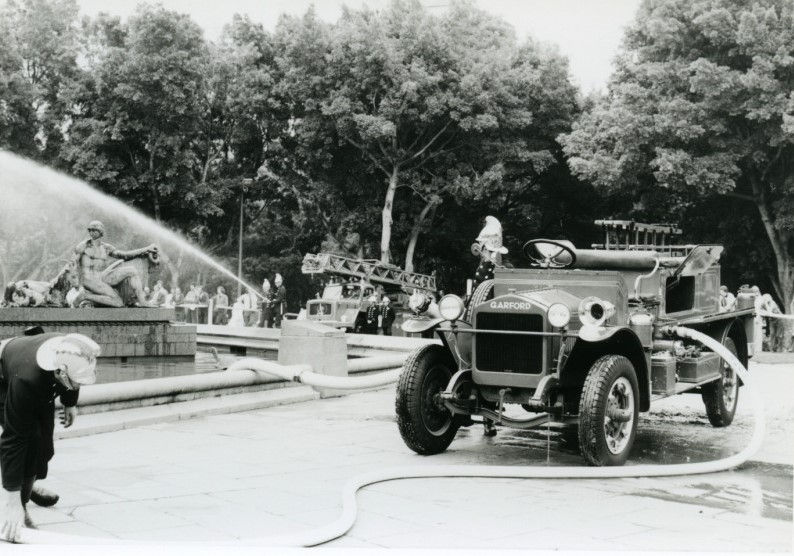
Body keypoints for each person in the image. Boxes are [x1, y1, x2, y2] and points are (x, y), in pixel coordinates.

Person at [0, 332, 100, 541]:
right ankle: (19, 504)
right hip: (4, 376)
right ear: (59, 372)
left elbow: (73, 375)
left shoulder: (70, 349)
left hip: (34, 368)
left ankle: (28, 485)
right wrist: (12, 502)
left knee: (44, 448)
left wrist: (70, 402)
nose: (78, 387)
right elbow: (13, 440)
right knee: (28, 439)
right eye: (75, 384)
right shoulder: (26, 381)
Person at [71, 220, 158, 308]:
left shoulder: (106, 247)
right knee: (118, 302)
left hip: (101, 276)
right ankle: (85, 296)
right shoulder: (83, 246)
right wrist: (77, 284)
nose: (91, 232)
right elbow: (72, 264)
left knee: (132, 270)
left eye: (94, 230)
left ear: (101, 231)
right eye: (90, 230)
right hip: (89, 280)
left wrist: (145, 249)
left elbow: (124, 255)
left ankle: (142, 301)